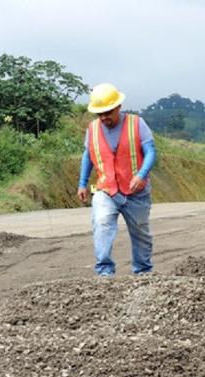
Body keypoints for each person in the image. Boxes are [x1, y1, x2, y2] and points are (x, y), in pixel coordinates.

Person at [77, 83, 157, 277]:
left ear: (118, 107)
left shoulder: (137, 123)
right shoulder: (92, 129)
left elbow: (150, 152)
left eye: (108, 112)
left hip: (136, 192)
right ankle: (105, 272)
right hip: (106, 190)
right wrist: (82, 183)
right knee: (101, 222)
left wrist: (141, 175)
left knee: (140, 233)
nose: (104, 117)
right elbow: (88, 156)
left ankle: (143, 272)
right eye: (100, 114)